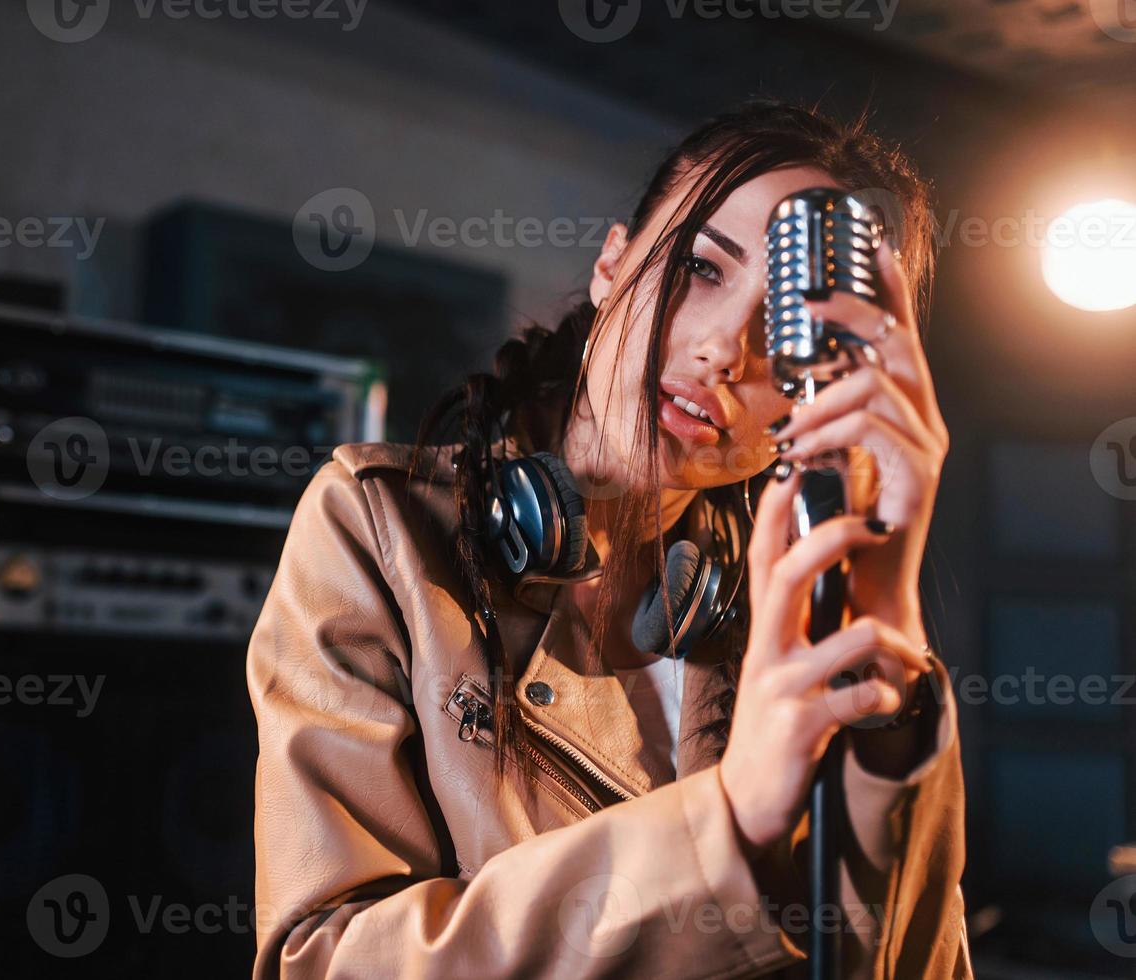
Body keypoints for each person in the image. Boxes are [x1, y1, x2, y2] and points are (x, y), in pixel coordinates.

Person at [247, 99, 969, 978]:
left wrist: (887, 636)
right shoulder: (380, 528)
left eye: (787, 331)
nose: (721, 351)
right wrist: (727, 821)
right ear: (611, 263)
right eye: (702, 268)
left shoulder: (794, 613)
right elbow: (324, 964)